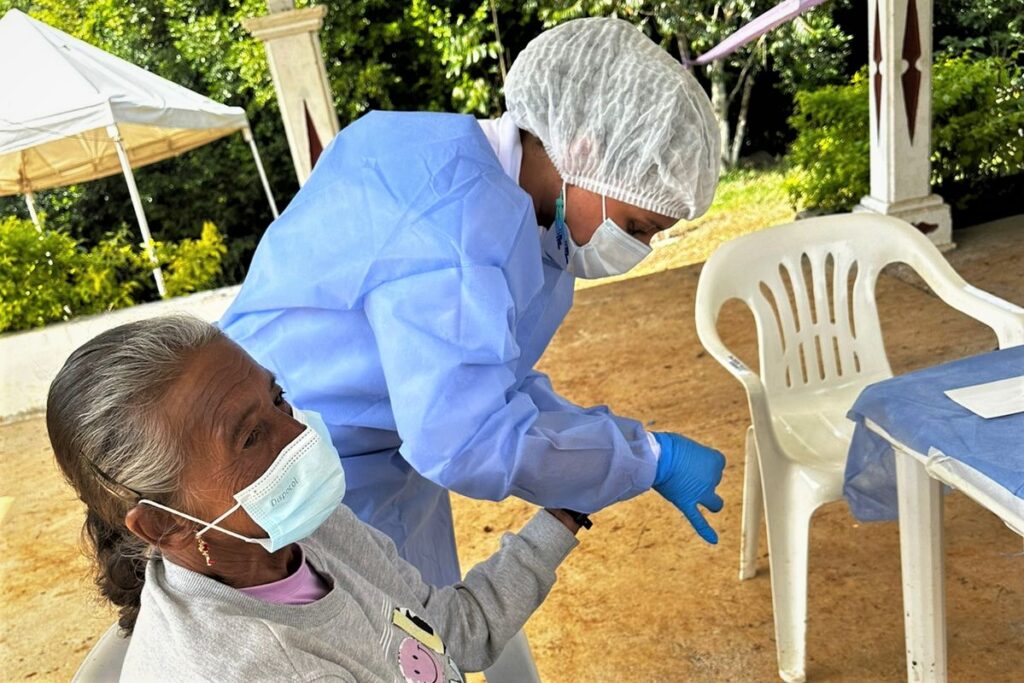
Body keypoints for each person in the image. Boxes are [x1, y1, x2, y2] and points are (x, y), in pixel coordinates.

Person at [219, 16, 724, 594]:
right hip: (282, 481)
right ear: (586, 150)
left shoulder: (513, 208)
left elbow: (487, 380)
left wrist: (635, 447)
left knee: (418, 642)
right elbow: (467, 438)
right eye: (638, 225)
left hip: (366, 461)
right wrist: (644, 459)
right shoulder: (458, 221)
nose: (640, 246)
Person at [48, 316, 584, 682]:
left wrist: (561, 517)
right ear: (165, 526)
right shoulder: (248, 667)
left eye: (277, 398)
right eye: (252, 437)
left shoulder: (312, 534)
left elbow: (449, 631)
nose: (298, 434)